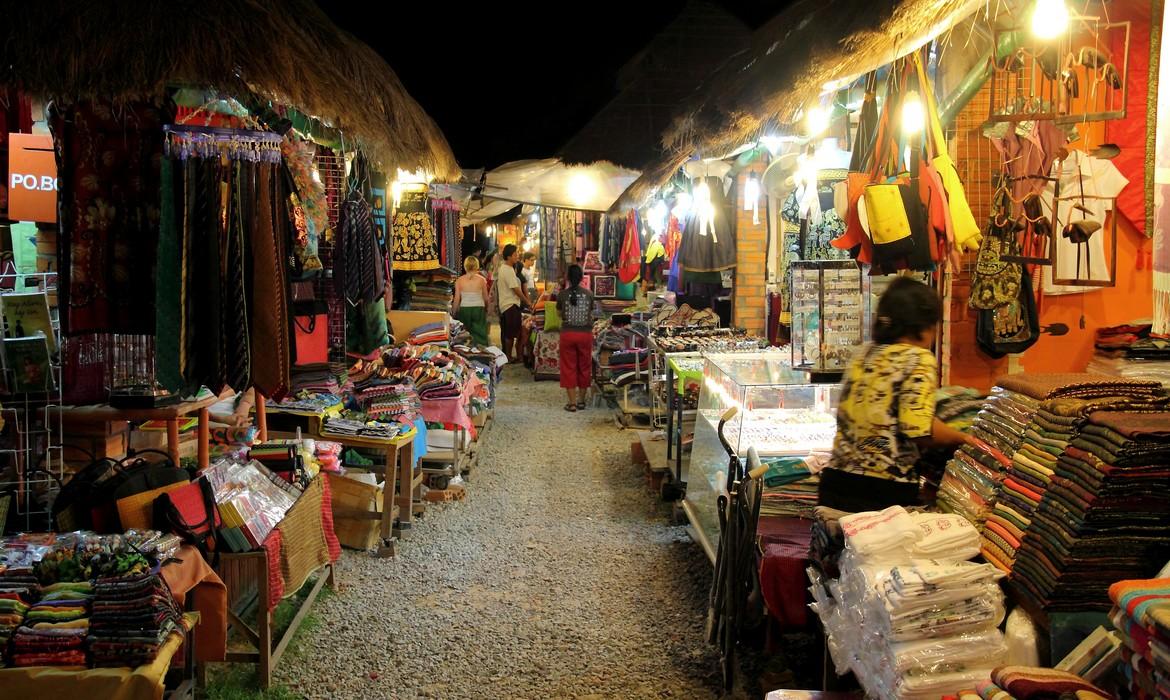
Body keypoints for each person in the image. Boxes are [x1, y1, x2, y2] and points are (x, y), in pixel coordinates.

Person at [818, 277, 978, 513]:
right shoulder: (918, 359)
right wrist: (964, 438)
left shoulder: (864, 353)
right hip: (883, 489)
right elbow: (918, 431)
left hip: (836, 481)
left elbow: (892, 414)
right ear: (924, 326)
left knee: (840, 548)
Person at [557, 264, 595, 411]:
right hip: (585, 334)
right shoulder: (589, 294)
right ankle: (581, 401)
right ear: (581, 278)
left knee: (568, 367)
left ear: (567, 277)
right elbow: (591, 313)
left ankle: (572, 403)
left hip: (568, 334)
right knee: (584, 366)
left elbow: (559, 314)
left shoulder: (562, 295)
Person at [495, 244, 531, 362]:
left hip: (507, 304)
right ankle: (509, 357)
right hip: (510, 304)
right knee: (510, 333)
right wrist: (527, 302)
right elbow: (516, 289)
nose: (517, 257)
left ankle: (508, 356)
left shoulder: (505, 268)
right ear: (509, 256)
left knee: (508, 332)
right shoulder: (508, 270)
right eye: (515, 254)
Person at [453, 256, 490, 347]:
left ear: (465, 266)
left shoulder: (459, 280)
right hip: (479, 308)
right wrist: (487, 307)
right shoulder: (482, 280)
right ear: (477, 266)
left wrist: (453, 312)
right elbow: (485, 297)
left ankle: (466, 354)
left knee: (465, 334)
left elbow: (457, 298)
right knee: (480, 334)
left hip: (464, 309)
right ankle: (480, 353)